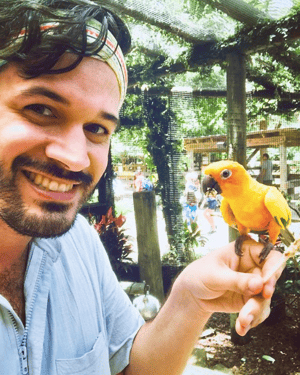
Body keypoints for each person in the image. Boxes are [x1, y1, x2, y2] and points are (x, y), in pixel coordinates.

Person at [0, 1, 284, 374]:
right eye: (41, 108)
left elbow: (132, 367)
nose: (76, 158)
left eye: (98, 129)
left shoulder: (79, 241)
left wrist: (190, 298)